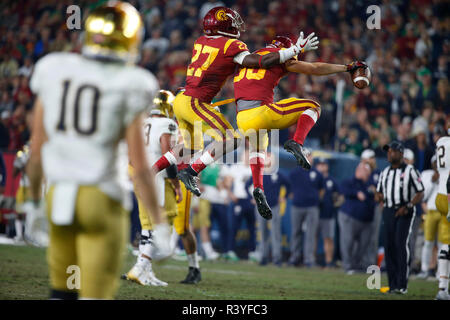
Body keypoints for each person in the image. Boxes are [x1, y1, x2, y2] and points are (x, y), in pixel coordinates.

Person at [26, 2, 171, 299]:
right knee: (94, 295)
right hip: (101, 199)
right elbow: (141, 166)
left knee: (64, 290)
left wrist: (32, 202)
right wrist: (160, 223)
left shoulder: (54, 67)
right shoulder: (134, 82)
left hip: (59, 196)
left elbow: (37, 148)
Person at [151, 7, 312, 198]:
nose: (237, 27)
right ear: (224, 25)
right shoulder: (231, 45)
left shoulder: (200, 41)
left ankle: (149, 172)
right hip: (195, 102)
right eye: (233, 23)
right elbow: (257, 61)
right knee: (231, 139)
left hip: (183, 99)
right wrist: (291, 51)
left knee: (190, 147)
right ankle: (191, 172)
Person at [233, 35, 368, 219]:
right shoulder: (280, 57)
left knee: (258, 149)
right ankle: (297, 142)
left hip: (242, 118)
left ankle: (258, 187)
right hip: (261, 112)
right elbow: (314, 68)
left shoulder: (250, 58)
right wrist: (346, 67)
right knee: (313, 107)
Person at [123, 90, 182, 287]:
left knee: (147, 225)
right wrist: (176, 184)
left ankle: (145, 272)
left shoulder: (142, 123)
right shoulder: (168, 124)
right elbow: (168, 153)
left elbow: (130, 154)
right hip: (159, 179)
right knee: (164, 220)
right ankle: (141, 266)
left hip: (140, 177)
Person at [375, 141, 424, 294]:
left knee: (400, 245)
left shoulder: (410, 170)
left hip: (404, 210)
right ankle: (393, 284)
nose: (390, 154)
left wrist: (408, 206)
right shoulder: (385, 172)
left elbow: (420, 192)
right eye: (388, 151)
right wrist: (379, 198)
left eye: (393, 151)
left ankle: (402, 284)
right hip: (389, 210)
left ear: (401, 154)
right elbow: (379, 192)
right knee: (389, 246)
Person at [246, 151, 290, 266]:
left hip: (274, 206)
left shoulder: (278, 174)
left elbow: (288, 185)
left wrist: (284, 197)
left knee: (276, 233)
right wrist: (251, 198)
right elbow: (247, 186)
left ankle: (277, 258)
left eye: (270, 158)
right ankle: (263, 257)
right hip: (261, 206)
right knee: (263, 232)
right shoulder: (258, 172)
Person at [288, 150, 324, 267]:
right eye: (306, 155)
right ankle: (295, 257)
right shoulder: (294, 173)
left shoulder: (317, 173)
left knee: (311, 234)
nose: (309, 158)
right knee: (295, 232)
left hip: (312, 207)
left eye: (310, 155)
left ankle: (309, 259)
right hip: (297, 206)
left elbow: (321, 189)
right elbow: (289, 189)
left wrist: (316, 199)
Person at [338, 162, 374, 273]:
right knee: (347, 242)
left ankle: (357, 264)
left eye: (366, 171)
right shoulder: (350, 181)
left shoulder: (370, 185)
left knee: (363, 244)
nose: (365, 173)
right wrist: (356, 193)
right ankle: (348, 265)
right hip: (350, 216)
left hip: (366, 220)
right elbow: (342, 189)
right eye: (363, 170)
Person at [417, 156, 444, 280]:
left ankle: (440, 272)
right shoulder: (427, 174)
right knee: (428, 242)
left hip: (444, 211)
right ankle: (424, 269)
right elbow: (423, 194)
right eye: (435, 162)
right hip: (431, 211)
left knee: (441, 244)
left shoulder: (446, 174)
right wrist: (433, 181)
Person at [434, 120, 450, 300]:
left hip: (440, 194)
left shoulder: (441, 142)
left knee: (446, 242)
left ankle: (443, 287)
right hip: (449, 193)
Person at [315, 157, 341, 268]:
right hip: (314, 213)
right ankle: (311, 261)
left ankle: (329, 262)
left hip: (328, 214)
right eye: (320, 164)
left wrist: (335, 203)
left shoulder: (332, 180)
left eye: (324, 164)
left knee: (328, 238)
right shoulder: (313, 178)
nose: (322, 167)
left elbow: (340, 196)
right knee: (312, 238)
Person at [360, 149, 382, 267]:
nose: (371, 161)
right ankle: (363, 262)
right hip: (363, 208)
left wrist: (376, 192)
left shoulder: (377, 173)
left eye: (372, 158)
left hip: (374, 207)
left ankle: (371, 263)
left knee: (373, 237)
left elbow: (379, 193)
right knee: (363, 237)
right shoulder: (361, 172)